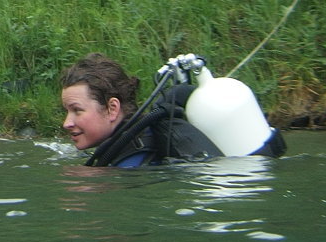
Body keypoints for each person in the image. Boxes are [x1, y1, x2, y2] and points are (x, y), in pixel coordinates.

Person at [60, 52, 218, 167]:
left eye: (77, 110)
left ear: (112, 108)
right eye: (67, 111)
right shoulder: (138, 138)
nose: (66, 123)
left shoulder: (132, 163)